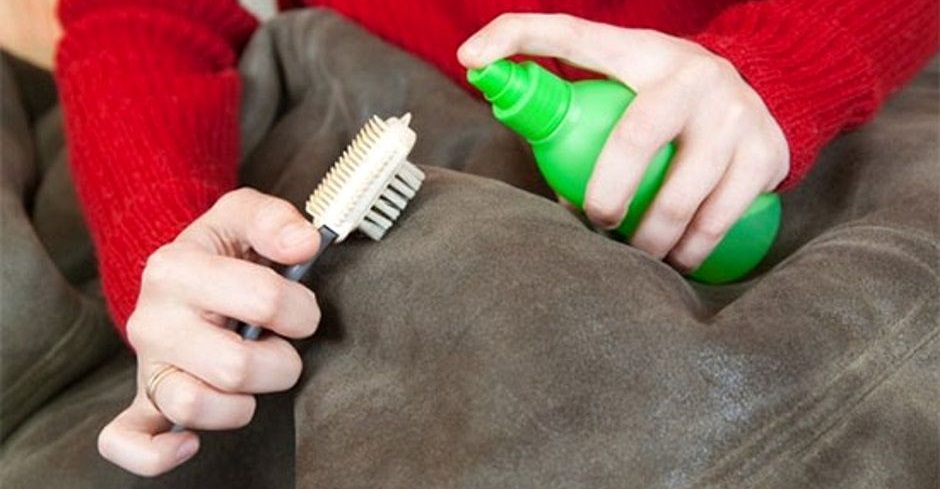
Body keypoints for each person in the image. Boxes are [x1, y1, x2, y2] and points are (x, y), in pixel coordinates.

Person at [2, 0, 936, 477]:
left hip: (806, 97)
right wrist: (168, 241)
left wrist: (794, 62)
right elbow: (143, 17)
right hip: (372, 92)